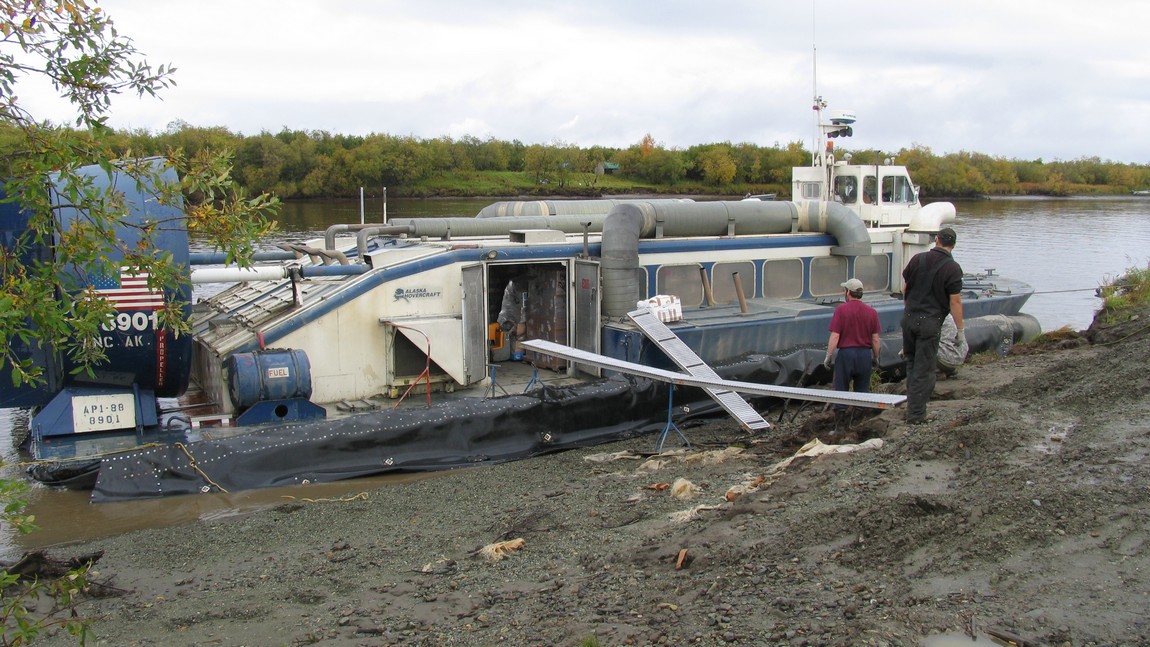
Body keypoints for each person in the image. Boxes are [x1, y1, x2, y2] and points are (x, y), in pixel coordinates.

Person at [900, 227, 964, 424]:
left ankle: (912, 408)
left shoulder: (917, 259)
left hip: (909, 318)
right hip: (930, 322)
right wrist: (960, 330)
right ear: (953, 245)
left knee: (911, 364)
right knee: (925, 369)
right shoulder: (952, 268)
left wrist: (910, 310)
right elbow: (955, 302)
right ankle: (916, 416)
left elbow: (906, 289)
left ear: (936, 240)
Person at [824, 278, 881, 432]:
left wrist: (829, 355)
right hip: (864, 355)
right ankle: (856, 426)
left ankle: (839, 428)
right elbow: (875, 339)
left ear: (848, 292)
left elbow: (835, 336)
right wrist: (876, 358)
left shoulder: (841, 310)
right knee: (862, 391)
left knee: (841, 390)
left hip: (846, 355)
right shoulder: (872, 312)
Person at [936, 313, 968, 378]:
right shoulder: (944, 312)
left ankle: (935, 370)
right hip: (959, 357)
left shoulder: (927, 314)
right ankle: (946, 369)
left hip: (945, 358)